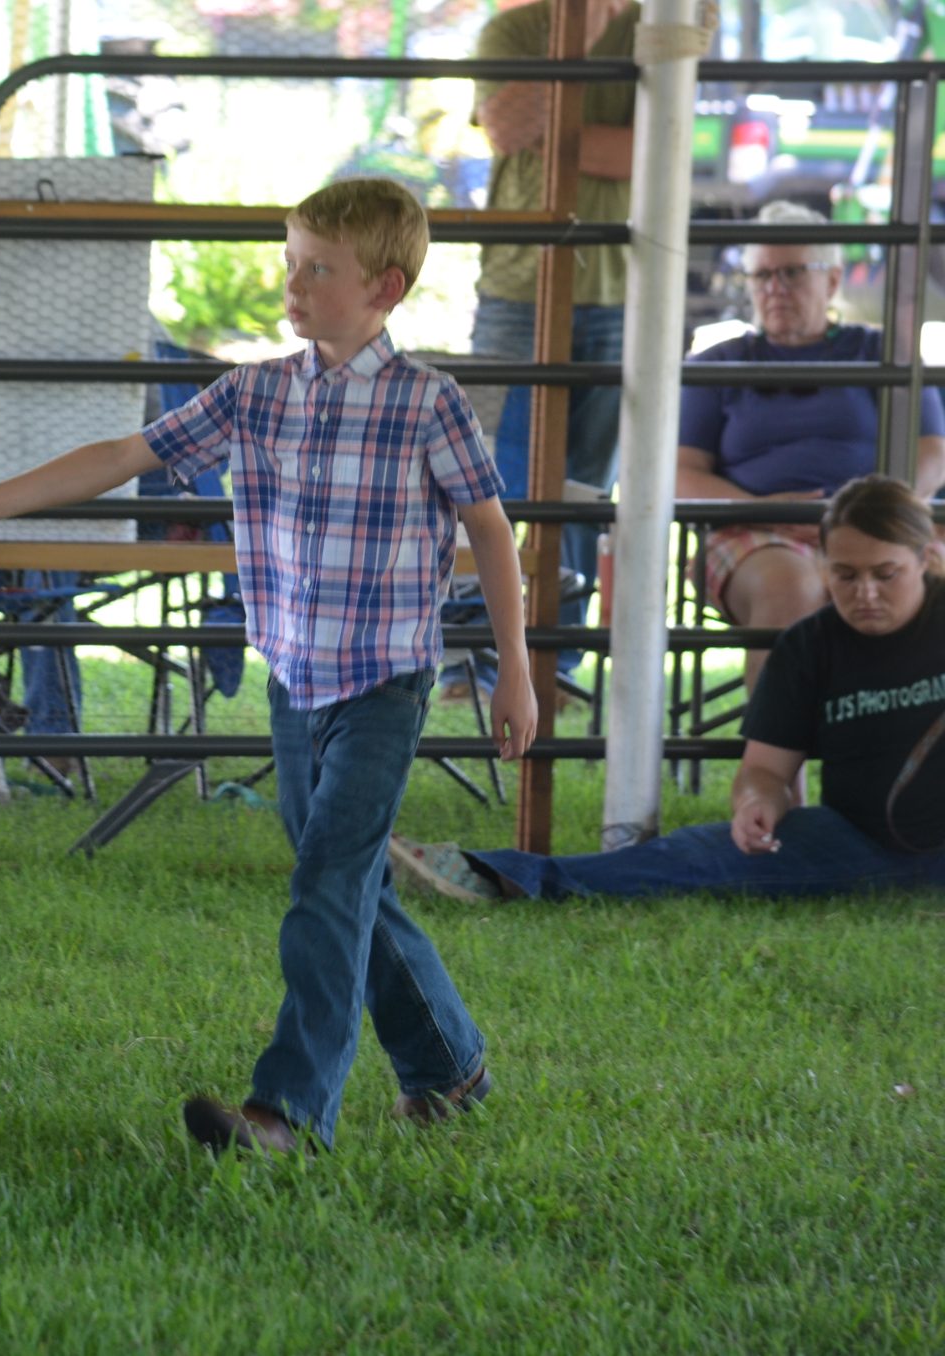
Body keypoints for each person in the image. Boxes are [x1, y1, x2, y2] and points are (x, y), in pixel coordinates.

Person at [0, 178, 539, 1155]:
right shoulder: (254, 393)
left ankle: (285, 1113)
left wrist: (513, 671)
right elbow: (127, 451)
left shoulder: (426, 405)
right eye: (289, 263)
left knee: (326, 886)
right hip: (295, 681)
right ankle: (449, 1068)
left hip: (383, 686)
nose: (291, 284)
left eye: (315, 269)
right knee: (350, 882)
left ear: (385, 288)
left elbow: (491, 534)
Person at [394, 474, 945, 903]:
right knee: (694, 855)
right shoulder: (808, 646)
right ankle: (493, 875)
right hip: (857, 836)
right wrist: (756, 805)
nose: (865, 592)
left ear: (926, 560)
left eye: (886, 574)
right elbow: (767, 771)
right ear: (822, 565)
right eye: (846, 575)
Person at [678, 201, 945, 694]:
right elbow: (680, 473)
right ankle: (773, 764)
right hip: (752, 531)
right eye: (762, 276)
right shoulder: (718, 364)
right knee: (790, 588)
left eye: (793, 273)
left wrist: (877, 518)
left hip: (877, 522)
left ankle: (911, 755)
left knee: (933, 574)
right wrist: (760, 510)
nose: (774, 289)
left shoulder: (882, 351)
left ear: (833, 281)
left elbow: (933, 450)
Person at [465, 0, 638, 692]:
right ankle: (481, 658)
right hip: (517, 292)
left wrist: (554, 128)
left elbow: (651, 151)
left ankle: (554, 665)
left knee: (583, 492)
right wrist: (582, 40)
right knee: (491, 483)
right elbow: (506, 128)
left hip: (620, 291)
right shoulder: (512, 30)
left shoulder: (658, 28)